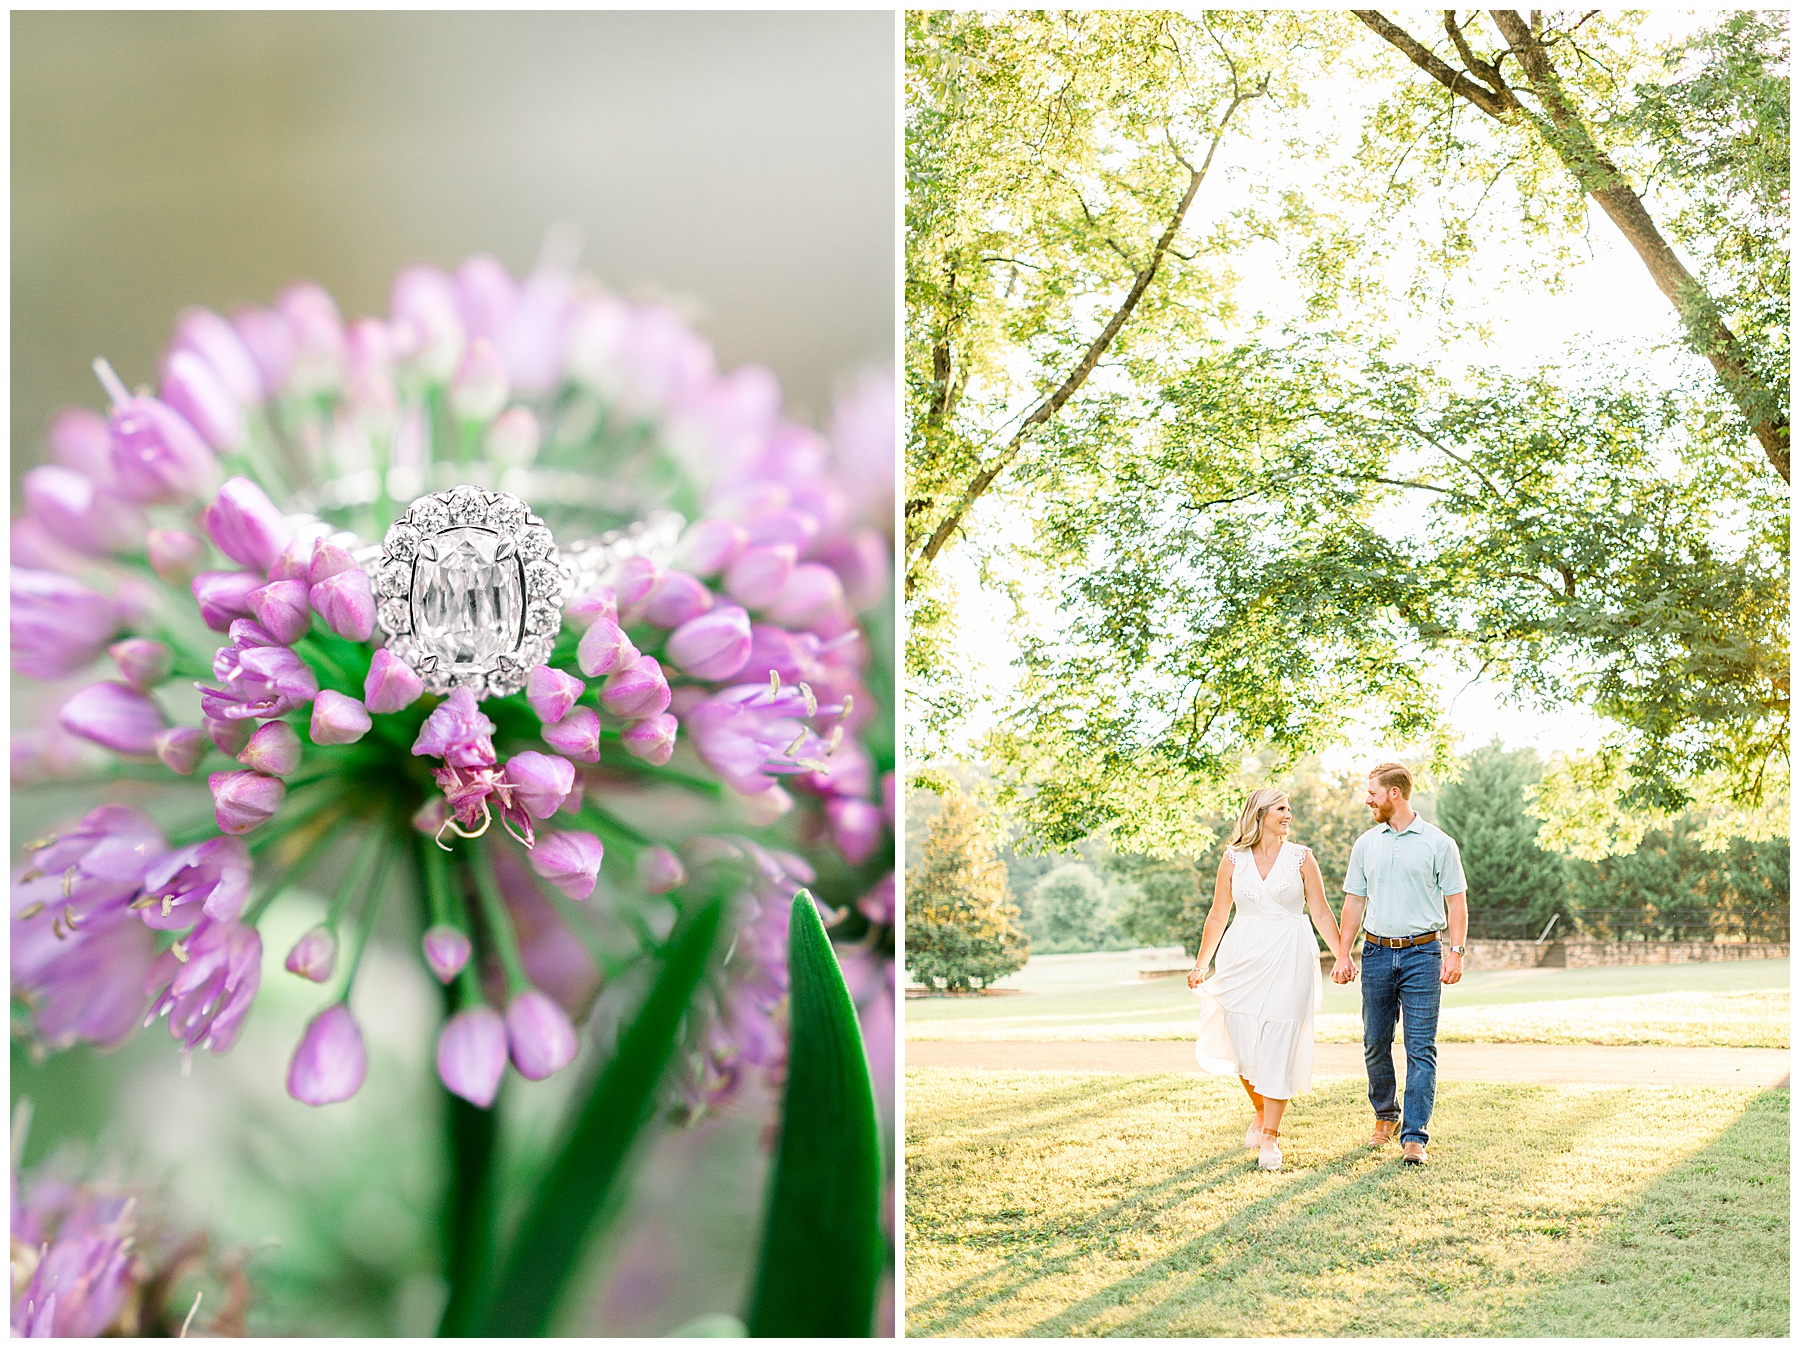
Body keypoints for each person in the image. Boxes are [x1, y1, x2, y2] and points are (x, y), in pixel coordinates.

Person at [1186, 788, 1346, 1172]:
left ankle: (1271, 1136)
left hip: (1290, 956)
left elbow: (1322, 912)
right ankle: (1260, 1110)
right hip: (1241, 958)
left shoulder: (1302, 858)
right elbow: (1217, 914)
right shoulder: (1232, 859)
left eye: (1289, 808)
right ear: (1259, 814)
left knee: (1279, 1043)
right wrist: (1201, 963)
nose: (1288, 815)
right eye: (1281, 809)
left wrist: (1341, 953)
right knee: (1241, 1042)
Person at [1332, 761, 1468, 1167]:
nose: (1367, 800)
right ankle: (1384, 1116)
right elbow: (1354, 901)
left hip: (1423, 954)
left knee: (1420, 1047)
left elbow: (1456, 901)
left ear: (1394, 793)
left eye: (1372, 793)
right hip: (1375, 953)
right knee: (1375, 1041)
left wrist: (1456, 951)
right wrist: (1343, 952)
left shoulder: (1439, 843)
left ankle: (1414, 1137)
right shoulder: (1365, 844)